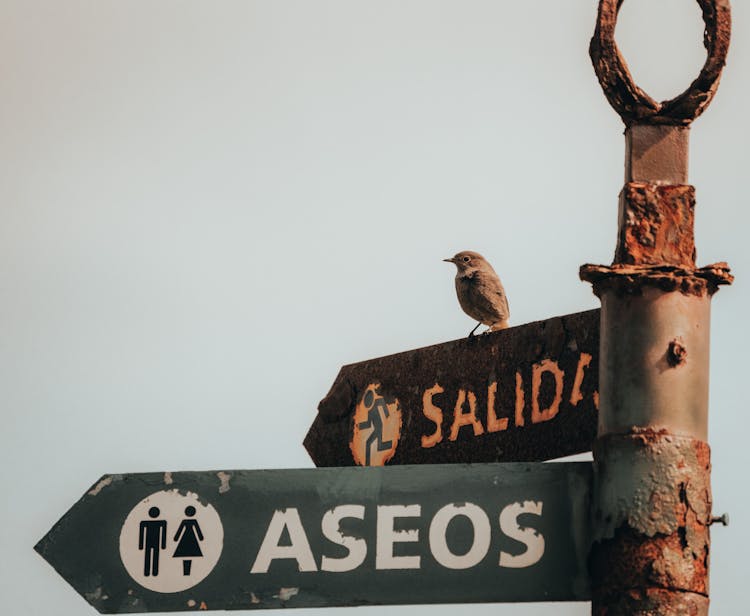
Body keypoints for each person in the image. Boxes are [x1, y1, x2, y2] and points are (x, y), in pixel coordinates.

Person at [173, 505, 204, 575]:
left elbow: (180, 530)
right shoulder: (191, 521)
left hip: (186, 539)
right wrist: (200, 537)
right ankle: (186, 572)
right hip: (191, 539)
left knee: (186, 555)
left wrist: (176, 538)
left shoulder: (187, 521)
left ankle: (187, 572)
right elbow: (197, 531)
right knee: (187, 555)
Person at [138, 506, 167, 577]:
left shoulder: (161, 523)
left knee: (151, 556)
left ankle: (151, 572)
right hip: (154, 542)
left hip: (150, 542)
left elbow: (163, 534)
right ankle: (151, 572)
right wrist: (163, 545)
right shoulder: (161, 523)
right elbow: (141, 534)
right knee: (153, 556)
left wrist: (141, 545)